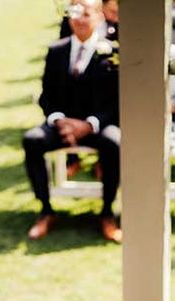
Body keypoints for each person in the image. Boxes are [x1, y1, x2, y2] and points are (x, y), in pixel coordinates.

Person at [23, 0, 122, 243]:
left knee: (114, 142)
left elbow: (115, 102)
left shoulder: (112, 52)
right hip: (62, 124)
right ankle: (46, 210)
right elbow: (46, 96)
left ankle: (107, 212)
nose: (79, 19)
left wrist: (88, 125)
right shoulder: (56, 50)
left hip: (97, 125)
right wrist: (59, 121)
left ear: (99, 17)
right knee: (32, 140)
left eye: (85, 13)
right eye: (75, 13)